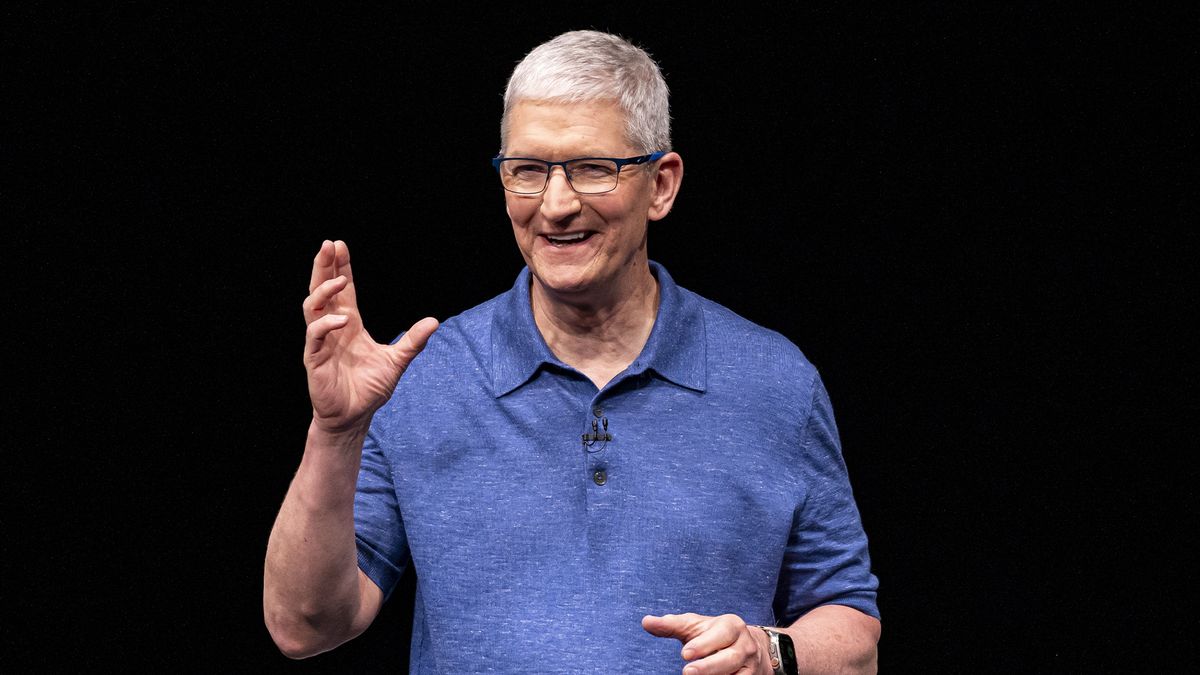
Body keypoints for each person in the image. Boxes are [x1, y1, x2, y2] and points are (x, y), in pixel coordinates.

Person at [264, 30, 880, 674]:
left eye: (592, 168)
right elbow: (301, 627)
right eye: (528, 171)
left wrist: (773, 653)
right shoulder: (418, 378)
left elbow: (855, 635)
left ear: (661, 185)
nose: (556, 206)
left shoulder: (775, 380)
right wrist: (336, 432)